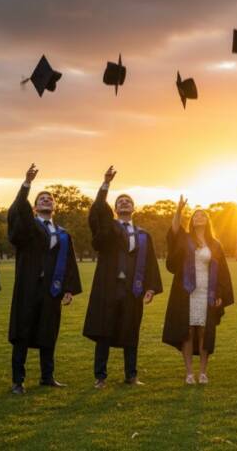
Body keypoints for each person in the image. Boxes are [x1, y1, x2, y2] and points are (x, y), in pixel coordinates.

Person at [83, 166, 162, 388]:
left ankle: (131, 375)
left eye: (128, 201)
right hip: (109, 287)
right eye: (120, 202)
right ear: (115, 209)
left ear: (134, 208)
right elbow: (98, 211)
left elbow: (150, 264)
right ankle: (100, 376)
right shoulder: (108, 230)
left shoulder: (144, 235)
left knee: (131, 330)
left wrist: (150, 287)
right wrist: (106, 185)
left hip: (132, 289)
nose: (124, 203)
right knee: (104, 331)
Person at [7, 164, 82, 394]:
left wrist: (68, 288)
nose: (46, 200)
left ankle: (47, 376)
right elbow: (18, 211)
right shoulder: (28, 227)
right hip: (28, 288)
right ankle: (18, 381)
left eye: (50, 198)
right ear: (35, 206)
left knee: (49, 331)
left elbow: (69, 261)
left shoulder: (62, 233)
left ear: (55, 206)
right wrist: (27, 185)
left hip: (51, 290)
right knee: (23, 332)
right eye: (42, 198)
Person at [162, 196, 234, 384]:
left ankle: (203, 372)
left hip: (206, 291)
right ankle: (189, 373)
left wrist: (219, 294)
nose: (199, 217)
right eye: (195, 215)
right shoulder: (185, 240)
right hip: (185, 291)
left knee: (204, 331)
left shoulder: (215, 244)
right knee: (188, 331)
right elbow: (174, 232)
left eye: (203, 215)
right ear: (192, 221)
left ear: (207, 220)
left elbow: (223, 271)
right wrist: (178, 211)